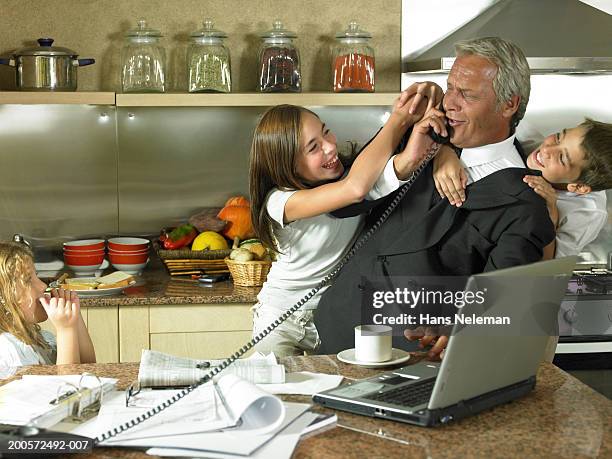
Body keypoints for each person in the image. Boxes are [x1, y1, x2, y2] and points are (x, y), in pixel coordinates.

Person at [314, 37, 556, 359]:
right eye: (450, 87)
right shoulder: (418, 136)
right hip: (334, 332)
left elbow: (497, 306)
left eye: (467, 95)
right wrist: (411, 160)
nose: (450, 103)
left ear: (509, 104)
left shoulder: (525, 203)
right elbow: (341, 205)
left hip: (409, 361)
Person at [249, 83, 446, 357]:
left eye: (326, 131)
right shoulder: (281, 202)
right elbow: (356, 190)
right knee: (283, 396)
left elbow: (383, 178)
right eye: (313, 147)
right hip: (283, 322)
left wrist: (441, 148)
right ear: (288, 164)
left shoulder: (350, 173)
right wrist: (398, 119)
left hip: (333, 315)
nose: (330, 147)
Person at [433, 118, 611, 259]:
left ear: (578, 187)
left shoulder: (588, 213)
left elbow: (542, 268)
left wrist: (550, 213)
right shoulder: (526, 137)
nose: (548, 149)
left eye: (562, 158)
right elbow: (465, 126)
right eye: (558, 137)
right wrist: (446, 151)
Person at [0, 241, 95, 372]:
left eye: (36, 276)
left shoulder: (40, 338)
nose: (43, 286)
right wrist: (65, 331)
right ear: (4, 298)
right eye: (28, 280)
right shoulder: (7, 350)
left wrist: (74, 318)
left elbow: (88, 369)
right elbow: (67, 387)